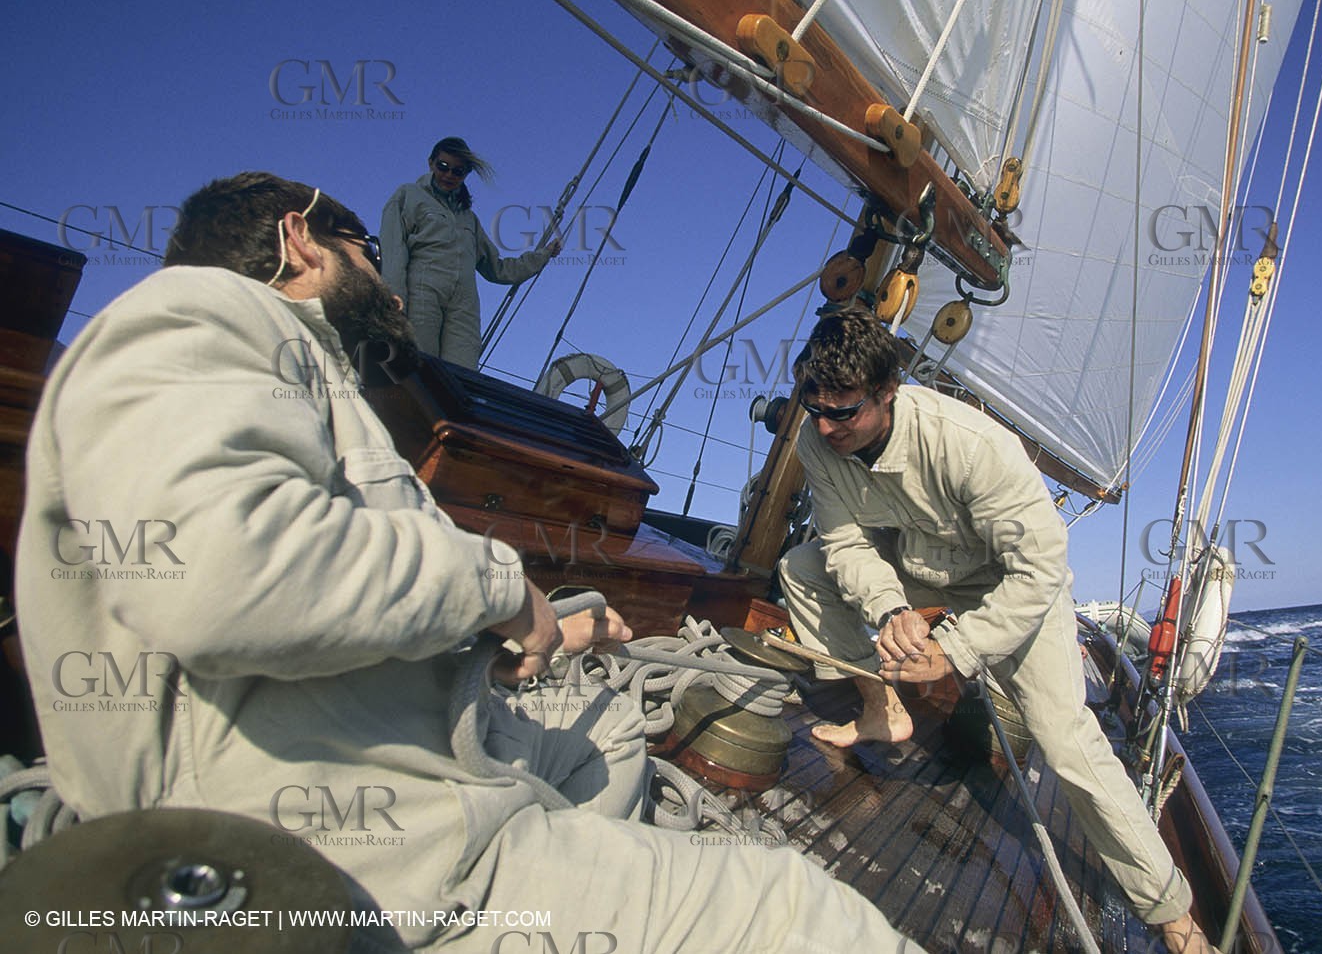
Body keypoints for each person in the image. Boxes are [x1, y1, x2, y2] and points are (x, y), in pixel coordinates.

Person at [15, 173, 922, 953]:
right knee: (802, 912)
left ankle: (562, 890)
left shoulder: (308, 382)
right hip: (343, 856)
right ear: (298, 240)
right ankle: (551, 899)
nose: (394, 287)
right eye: (367, 249)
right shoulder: (207, 310)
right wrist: (494, 586)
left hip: (405, 771)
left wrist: (547, 618)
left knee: (606, 726)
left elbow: (334, 588)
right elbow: (215, 574)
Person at [777, 306, 1216, 954]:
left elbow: (1041, 570)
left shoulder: (970, 445)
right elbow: (842, 540)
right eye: (814, 405)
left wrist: (951, 650)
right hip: (921, 563)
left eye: (843, 411)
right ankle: (881, 710)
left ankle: (1174, 912)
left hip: (1009, 580)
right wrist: (889, 609)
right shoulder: (817, 439)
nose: (824, 425)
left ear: (887, 392)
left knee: (1066, 739)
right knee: (801, 565)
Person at [380, 137, 559, 367]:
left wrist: (542, 255)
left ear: (465, 175)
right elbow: (393, 251)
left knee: (463, 372)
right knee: (418, 365)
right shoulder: (408, 196)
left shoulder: (469, 219)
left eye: (458, 171)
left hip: (463, 302)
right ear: (431, 163)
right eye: (442, 166)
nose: (448, 175)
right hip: (422, 293)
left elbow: (499, 269)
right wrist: (395, 302)